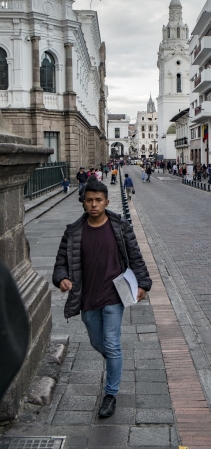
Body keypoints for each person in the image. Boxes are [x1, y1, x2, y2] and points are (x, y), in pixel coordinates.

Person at [52, 177, 152, 418]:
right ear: (83, 203)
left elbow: (135, 257)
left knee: (112, 343)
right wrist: (62, 278)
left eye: (98, 200)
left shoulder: (119, 226)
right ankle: (115, 364)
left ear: (107, 201)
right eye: (89, 201)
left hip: (114, 295)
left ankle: (110, 394)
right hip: (86, 297)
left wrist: (144, 284)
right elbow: (60, 264)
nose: (94, 204)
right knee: (99, 343)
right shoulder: (73, 232)